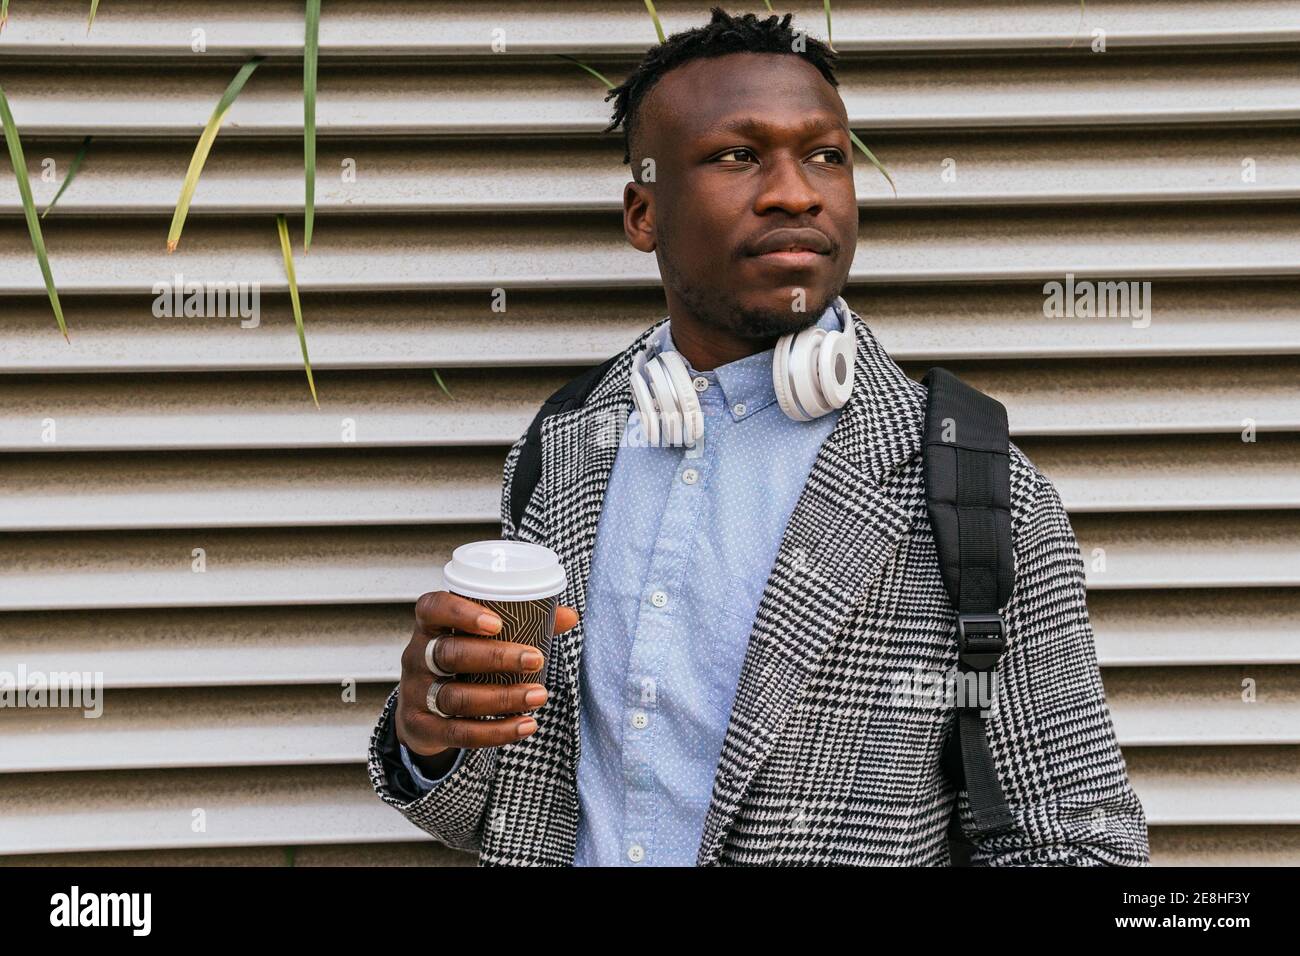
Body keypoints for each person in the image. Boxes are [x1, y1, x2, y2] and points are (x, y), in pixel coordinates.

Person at [366, 7, 1150, 866]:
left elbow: (1078, 841)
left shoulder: (971, 483)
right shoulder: (564, 447)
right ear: (642, 214)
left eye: (826, 155)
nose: (796, 191)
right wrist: (430, 735)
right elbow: (507, 813)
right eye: (738, 156)